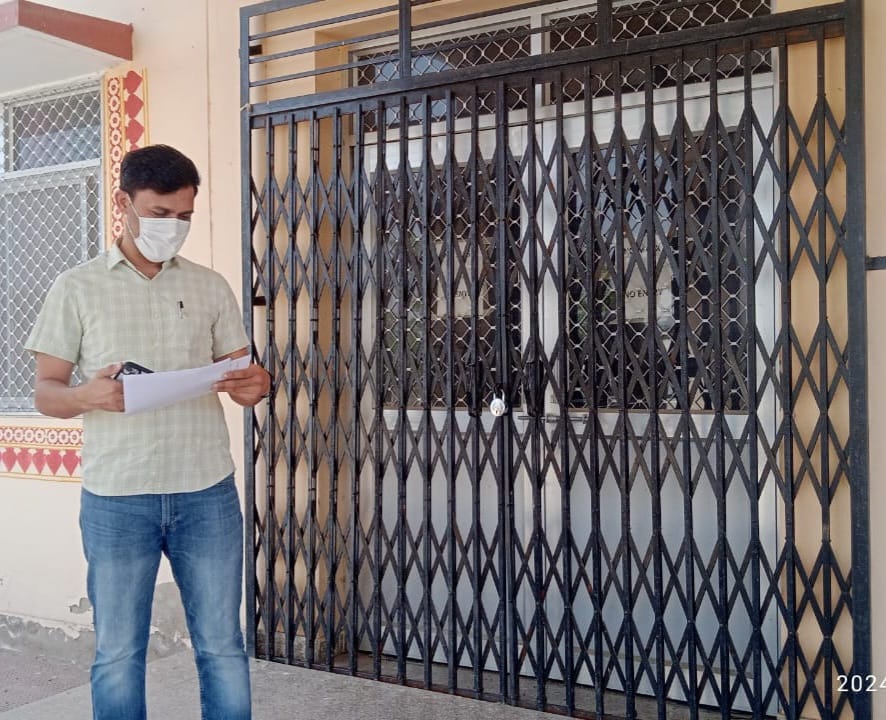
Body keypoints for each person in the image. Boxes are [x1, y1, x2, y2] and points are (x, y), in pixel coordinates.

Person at [25, 144, 269, 720]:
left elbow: (243, 375)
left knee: (222, 646)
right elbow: (46, 392)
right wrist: (86, 396)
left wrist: (254, 384)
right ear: (124, 203)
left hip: (205, 491)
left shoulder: (210, 286)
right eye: (160, 214)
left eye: (184, 216)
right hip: (117, 497)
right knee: (117, 653)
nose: (173, 227)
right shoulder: (76, 287)